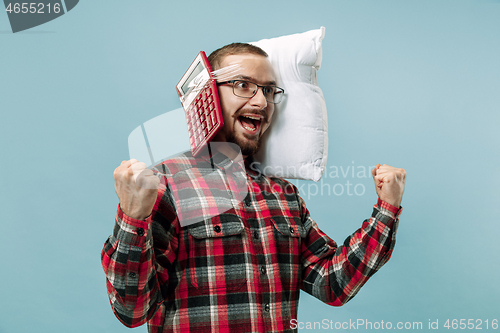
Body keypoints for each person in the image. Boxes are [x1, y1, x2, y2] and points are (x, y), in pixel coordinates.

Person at [101, 43, 406, 333]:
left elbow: (332, 284)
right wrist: (133, 217)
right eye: (243, 85)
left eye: (269, 90)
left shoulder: (283, 195)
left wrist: (387, 210)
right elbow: (132, 310)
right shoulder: (164, 183)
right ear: (207, 93)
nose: (261, 102)